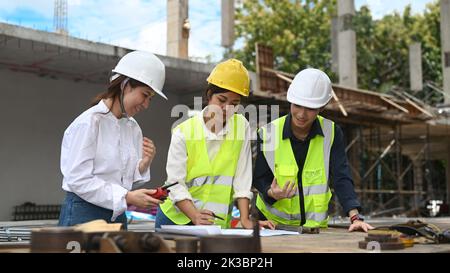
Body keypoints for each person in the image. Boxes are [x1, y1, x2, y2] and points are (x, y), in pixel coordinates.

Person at [156, 59, 274, 229]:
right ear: (208, 95)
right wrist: (195, 215)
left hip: (215, 222)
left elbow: (243, 177)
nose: (226, 109)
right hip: (176, 219)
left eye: (234, 104)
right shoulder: (184, 132)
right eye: (222, 100)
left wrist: (245, 218)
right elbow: (174, 183)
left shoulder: (241, 126)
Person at [253, 68, 374, 232]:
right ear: (290, 101)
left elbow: (341, 176)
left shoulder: (331, 133)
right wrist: (271, 192)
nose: (301, 114)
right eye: (297, 105)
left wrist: (355, 217)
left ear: (322, 107)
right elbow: (260, 178)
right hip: (274, 226)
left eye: (310, 108)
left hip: (314, 230)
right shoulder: (268, 134)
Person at [58, 51, 167, 229]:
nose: (146, 104)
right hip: (84, 212)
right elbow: (78, 179)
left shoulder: (132, 127)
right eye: (145, 95)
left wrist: (143, 164)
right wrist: (127, 197)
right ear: (125, 85)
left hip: (116, 213)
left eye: (150, 99)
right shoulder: (89, 123)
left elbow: (124, 179)